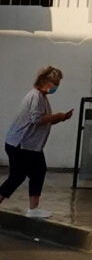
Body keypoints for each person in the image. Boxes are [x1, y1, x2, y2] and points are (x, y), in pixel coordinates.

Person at [1, 67, 72, 220]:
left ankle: (33, 209)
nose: (56, 87)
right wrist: (56, 116)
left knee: (39, 171)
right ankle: (30, 208)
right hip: (21, 144)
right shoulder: (36, 96)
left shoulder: (42, 97)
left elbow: (43, 122)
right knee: (17, 176)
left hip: (32, 146)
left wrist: (60, 118)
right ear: (45, 81)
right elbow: (35, 119)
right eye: (55, 83)